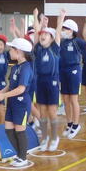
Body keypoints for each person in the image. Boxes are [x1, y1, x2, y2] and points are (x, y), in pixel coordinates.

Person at [0, 37, 35, 167]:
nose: (9, 51)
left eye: (11, 49)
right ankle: (19, 154)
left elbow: (21, 89)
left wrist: (4, 96)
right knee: (8, 129)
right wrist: (1, 91)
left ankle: (23, 157)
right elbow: (11, 84)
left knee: (20, 131)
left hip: (21, 104)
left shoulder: (26, 68)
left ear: (19, 51)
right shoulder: (15, 67)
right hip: (12, 103)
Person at [32, 8, 66, 151]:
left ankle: (54, 137)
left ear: (51, 38)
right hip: (40, 82)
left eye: (46, 34)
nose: (43, 35)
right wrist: (35, 17)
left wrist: (61, 18)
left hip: (52, 82)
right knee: (42, 112)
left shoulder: (55, 48)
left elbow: (57, 32)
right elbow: (36, 32)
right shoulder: (38, 49)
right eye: (42, 34)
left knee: (52, 112)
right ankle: (45, 137)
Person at [59, 18, 84, 139]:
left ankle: (76, 124)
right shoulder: (62, 42)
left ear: (72, 30)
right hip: (63, 71)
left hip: (74, 71)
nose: (63, 30)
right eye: (63, 28)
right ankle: (69, 123)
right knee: (65, 99)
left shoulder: (77, 41)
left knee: (73, 99)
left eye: (66, 29)